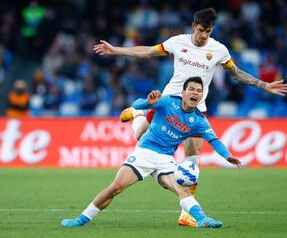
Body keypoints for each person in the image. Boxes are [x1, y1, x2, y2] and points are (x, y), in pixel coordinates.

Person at [93, 7, 287, 226]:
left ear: (212, 30)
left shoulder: (219, 50)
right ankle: (138, 114)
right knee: (140, 136)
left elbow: (236, 73)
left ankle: (186, 213)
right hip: (168, 101)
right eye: (201, 30)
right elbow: (148, 51)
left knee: (192, 154)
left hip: (196, 106)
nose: (204, 35)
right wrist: (117, 50)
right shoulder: (178, 42)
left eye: (208, 31)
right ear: (193, 27)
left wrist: (264, 85)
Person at [61, 77, 241, 228]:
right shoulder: (168, 101)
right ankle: (81, 219)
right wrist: (148, 102)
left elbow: (214, 140)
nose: (195, 93)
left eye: (199, 91)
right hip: (145, 152)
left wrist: (227, 156)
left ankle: (202, 219)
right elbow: (137, 103)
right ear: (183, 92)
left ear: (201, 95)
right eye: (191, 89)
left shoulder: (199, 121)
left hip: (165, 159)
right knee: (116, 187)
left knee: (182, 189)